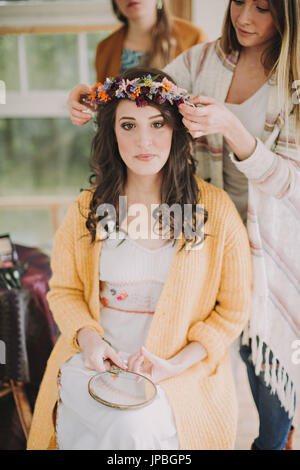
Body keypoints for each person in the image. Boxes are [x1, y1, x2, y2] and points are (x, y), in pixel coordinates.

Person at [66, 0, 300, 450]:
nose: (244, 18)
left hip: (272, 243)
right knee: (207, 352)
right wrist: (91, 95)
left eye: (263, 8)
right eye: (238, 3)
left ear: (288, 14)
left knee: (267, 373)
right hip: (205, 227)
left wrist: (234, 130)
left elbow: (291, 183)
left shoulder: (294, 82)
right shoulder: (200, 61)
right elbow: (148, 92)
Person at [27, 68, 252, 450]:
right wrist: (90, 340)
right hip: (94, 363)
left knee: (132, 429)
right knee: (112, 425)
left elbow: (232, 311)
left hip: (178, 370)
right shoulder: (88, 209)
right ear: (112, 134)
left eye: (157, 124)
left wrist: (177, 364)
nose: (143, 140)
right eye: (128, 125)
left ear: (177, 130)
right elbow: (63, 291)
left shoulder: (216, 211)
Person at [68, 0, 207, 126]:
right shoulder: (105, 48)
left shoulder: (193, 38)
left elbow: (202, 103)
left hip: (178, 148)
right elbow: (106, 106)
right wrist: (86, 98)